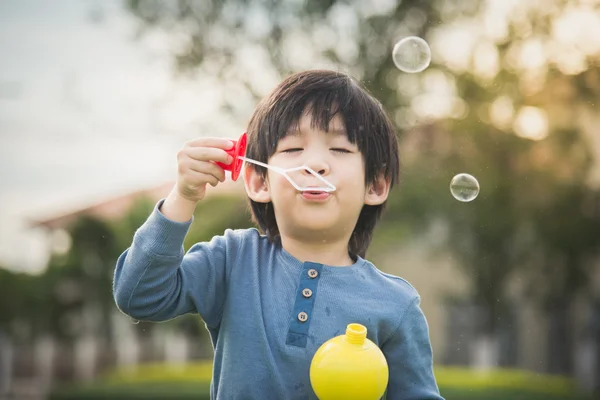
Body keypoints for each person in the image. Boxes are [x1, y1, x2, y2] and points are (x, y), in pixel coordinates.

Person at [113, 69, 444, 399]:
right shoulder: (232, 261)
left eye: (340, 150)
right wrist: (183, 197)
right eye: (293, 149)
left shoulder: (395, 305)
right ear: (259, 182)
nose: (315, 164)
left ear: (375, 185)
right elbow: (140, 295)